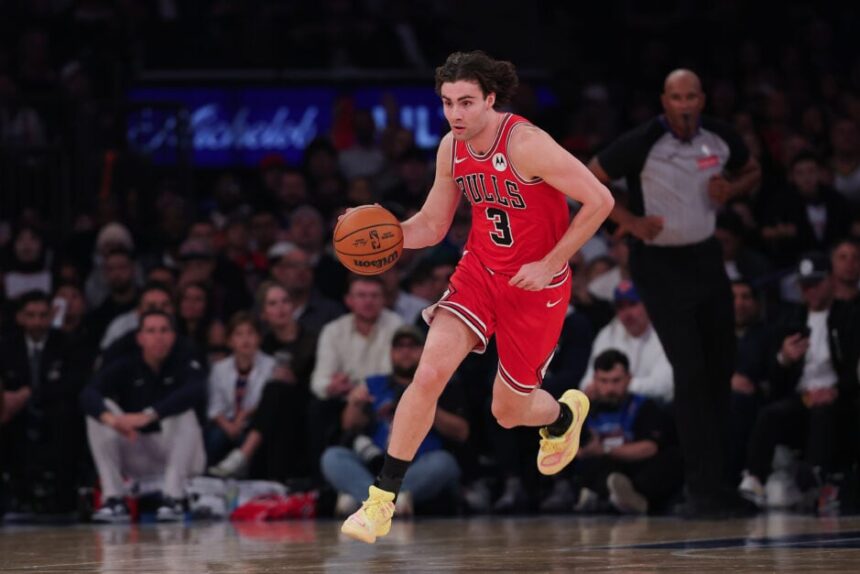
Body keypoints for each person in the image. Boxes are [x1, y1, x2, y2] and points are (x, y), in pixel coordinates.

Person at [341, 51, 613, 543]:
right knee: (427, 375)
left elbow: (600, 200)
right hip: (479, 273)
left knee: (507, 412)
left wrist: (552, 262)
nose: (456, 114)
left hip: (536, 286)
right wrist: (387, 235)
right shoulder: (451, 147)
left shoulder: (527, 143)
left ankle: (565, 414)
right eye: (447, 103)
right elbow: (431, 225)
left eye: (466, 102)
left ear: (490, 99)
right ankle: (380, 501)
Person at [588, 69, 762, 518]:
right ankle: (699, 487)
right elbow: (590, 178)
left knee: (721, 367)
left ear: (702, 99)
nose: (684, 105)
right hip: (659, 264)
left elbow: (752, 169)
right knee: (690, 372)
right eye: (676, 97)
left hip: (706, 257)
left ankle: (718, 482)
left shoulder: (719, 138)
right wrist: (627, 222)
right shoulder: (643, 140)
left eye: (691, 97)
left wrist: (734, 188)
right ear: (664, 101)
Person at [321, 325, 467, 518]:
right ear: (391, 353)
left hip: (418, 465)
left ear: (424, 351)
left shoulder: (441, 384)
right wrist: (355, 404)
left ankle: (364, 501)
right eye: (399, 347)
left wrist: (427, 404)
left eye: (412, 346)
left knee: (444, 463)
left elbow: (462, 432)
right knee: (333, 457)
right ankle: (388, 503)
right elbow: (349, 425)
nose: (405, 352)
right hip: (377, 465)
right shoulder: (374, 384)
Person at [80, 310, 207, 523]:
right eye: (151, 331)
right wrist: (112, 420)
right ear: (140, 338)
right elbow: (88, 393)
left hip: (184, 457)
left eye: (164, 330)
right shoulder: (126, 365)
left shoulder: (184, 360)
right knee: (101, 411)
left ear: (173, 336)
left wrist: (149, 415)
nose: (158, 337)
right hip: (138, 452)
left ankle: (173, 499)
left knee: (184, 412)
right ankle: (113, 499)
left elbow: (195, 391)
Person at [572, 350, 682, 515]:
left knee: (672, 458)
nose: (610, 388)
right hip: (602, 468)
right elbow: (570, 450)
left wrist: (605, 449)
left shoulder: (644, 406)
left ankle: (623, 496)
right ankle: (617, 497)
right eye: (604, 381)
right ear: (594, 380)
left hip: (637, 469)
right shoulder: (584, 409)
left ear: (628, 379)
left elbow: (649, 448)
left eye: (616, 381)